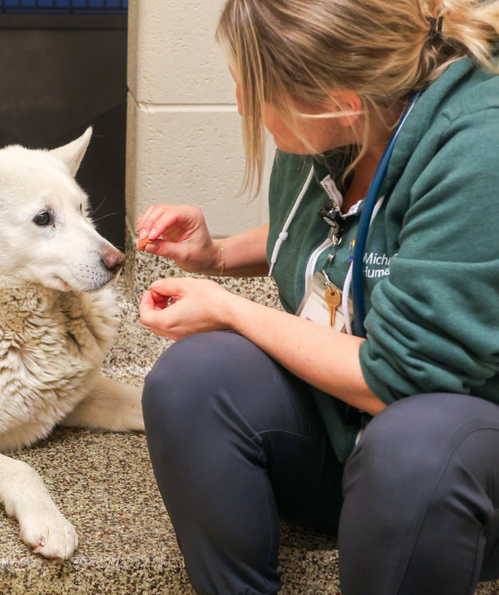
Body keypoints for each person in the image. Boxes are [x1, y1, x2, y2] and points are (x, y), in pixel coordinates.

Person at [136, 1, 499, 594]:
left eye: (257, 91)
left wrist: (230, 307)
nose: (241, 104)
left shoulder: (482, 148)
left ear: (338, 102)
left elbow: (399, 381)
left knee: (415, 449)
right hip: (350, 438)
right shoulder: (351, 115)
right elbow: (359, 232)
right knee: (192, 378)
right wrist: (221, 255)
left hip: (453, 474)